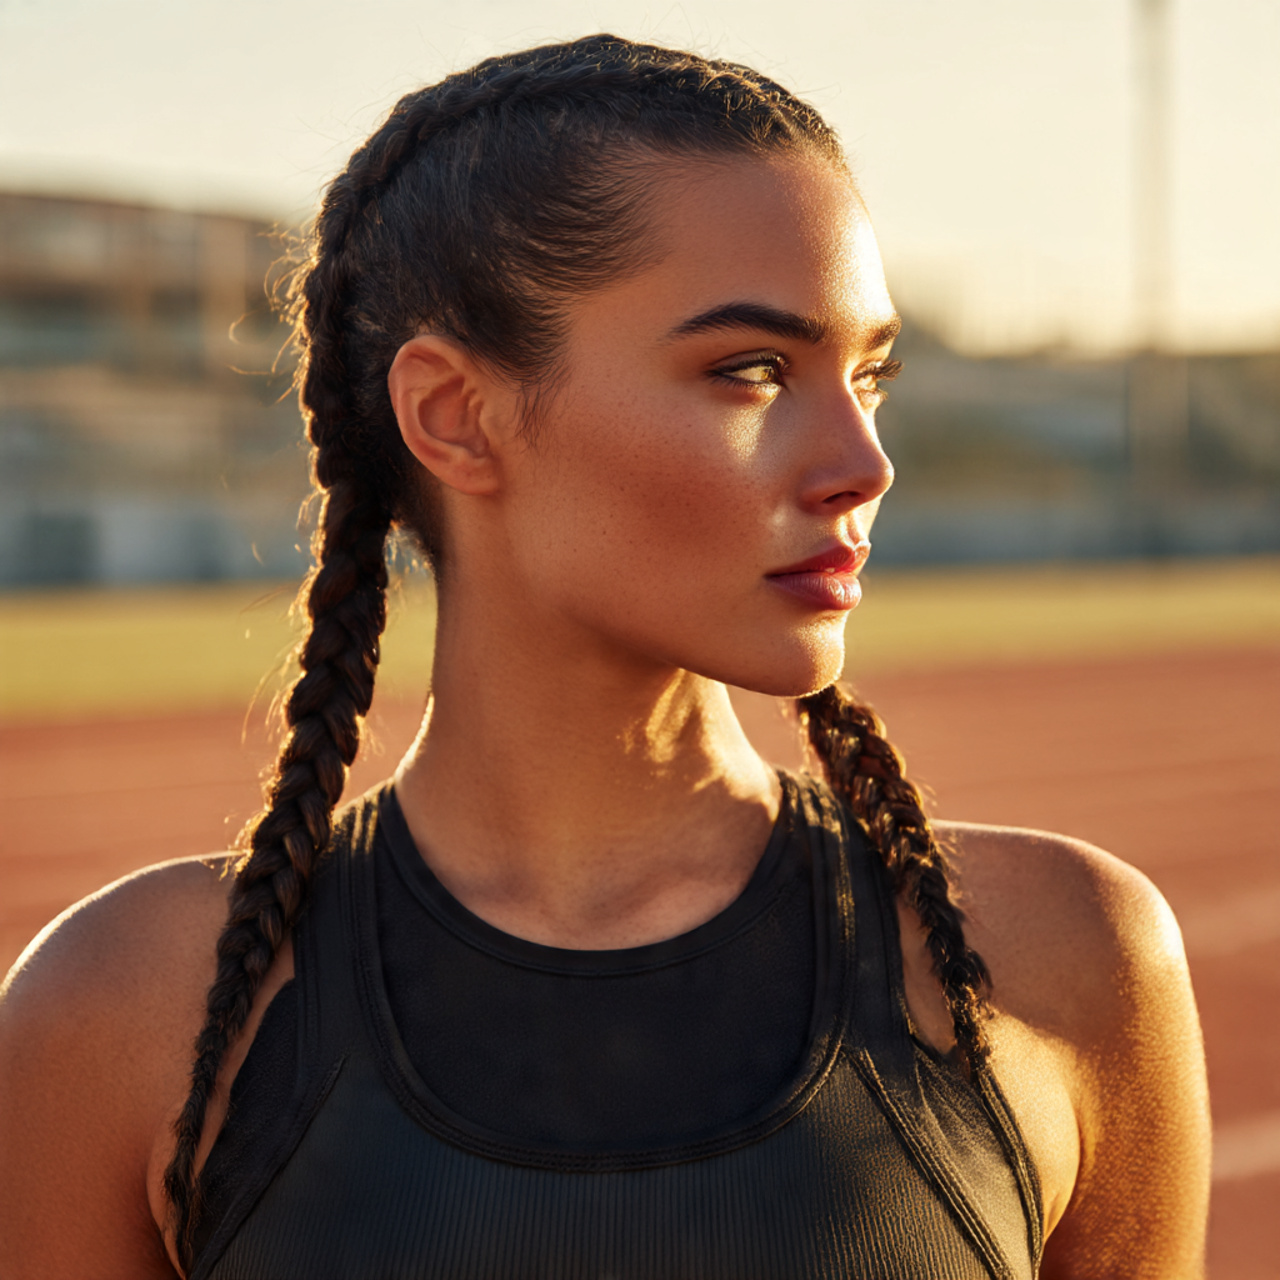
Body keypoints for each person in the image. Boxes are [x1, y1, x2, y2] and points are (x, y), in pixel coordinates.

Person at [0, 34, 1208, 1280]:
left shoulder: (1061, 963)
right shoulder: (126, 1013)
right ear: (453, 414)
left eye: (869, 374)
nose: (862, 461)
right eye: (750, 371)